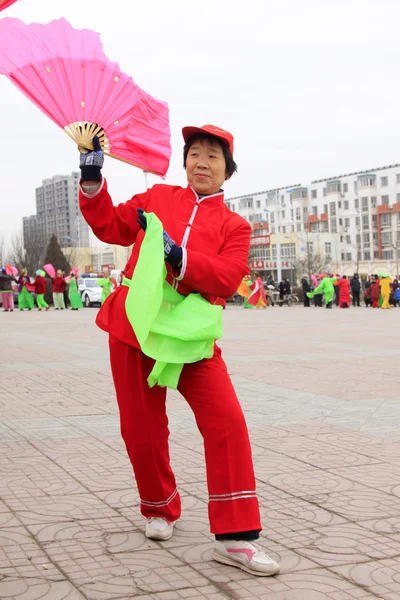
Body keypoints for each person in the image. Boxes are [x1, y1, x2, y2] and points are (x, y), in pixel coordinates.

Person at [78, 125, 280, 577]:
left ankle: (236, 537)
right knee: (141, 428)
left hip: (190, 334)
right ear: (184, 160)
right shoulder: (157, 198)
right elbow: (110, 223)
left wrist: (177, 256)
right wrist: (92, 176)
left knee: (226, 421)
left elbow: (226, 278)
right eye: (194, 153)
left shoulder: (236, 226)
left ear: (228, 170)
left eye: (212, 156)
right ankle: (159, 507)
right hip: (135, 323)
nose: (201, 162)